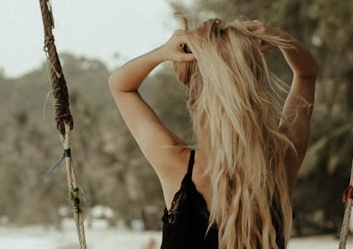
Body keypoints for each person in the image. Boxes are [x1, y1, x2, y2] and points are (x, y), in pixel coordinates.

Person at [109, 17, 318, 249]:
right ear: (254, 93)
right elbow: (307, 73)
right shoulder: (280, 164)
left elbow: (120, 86)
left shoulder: (176, 164)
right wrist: (278, 36)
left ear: (194, 101)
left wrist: (162, 52)